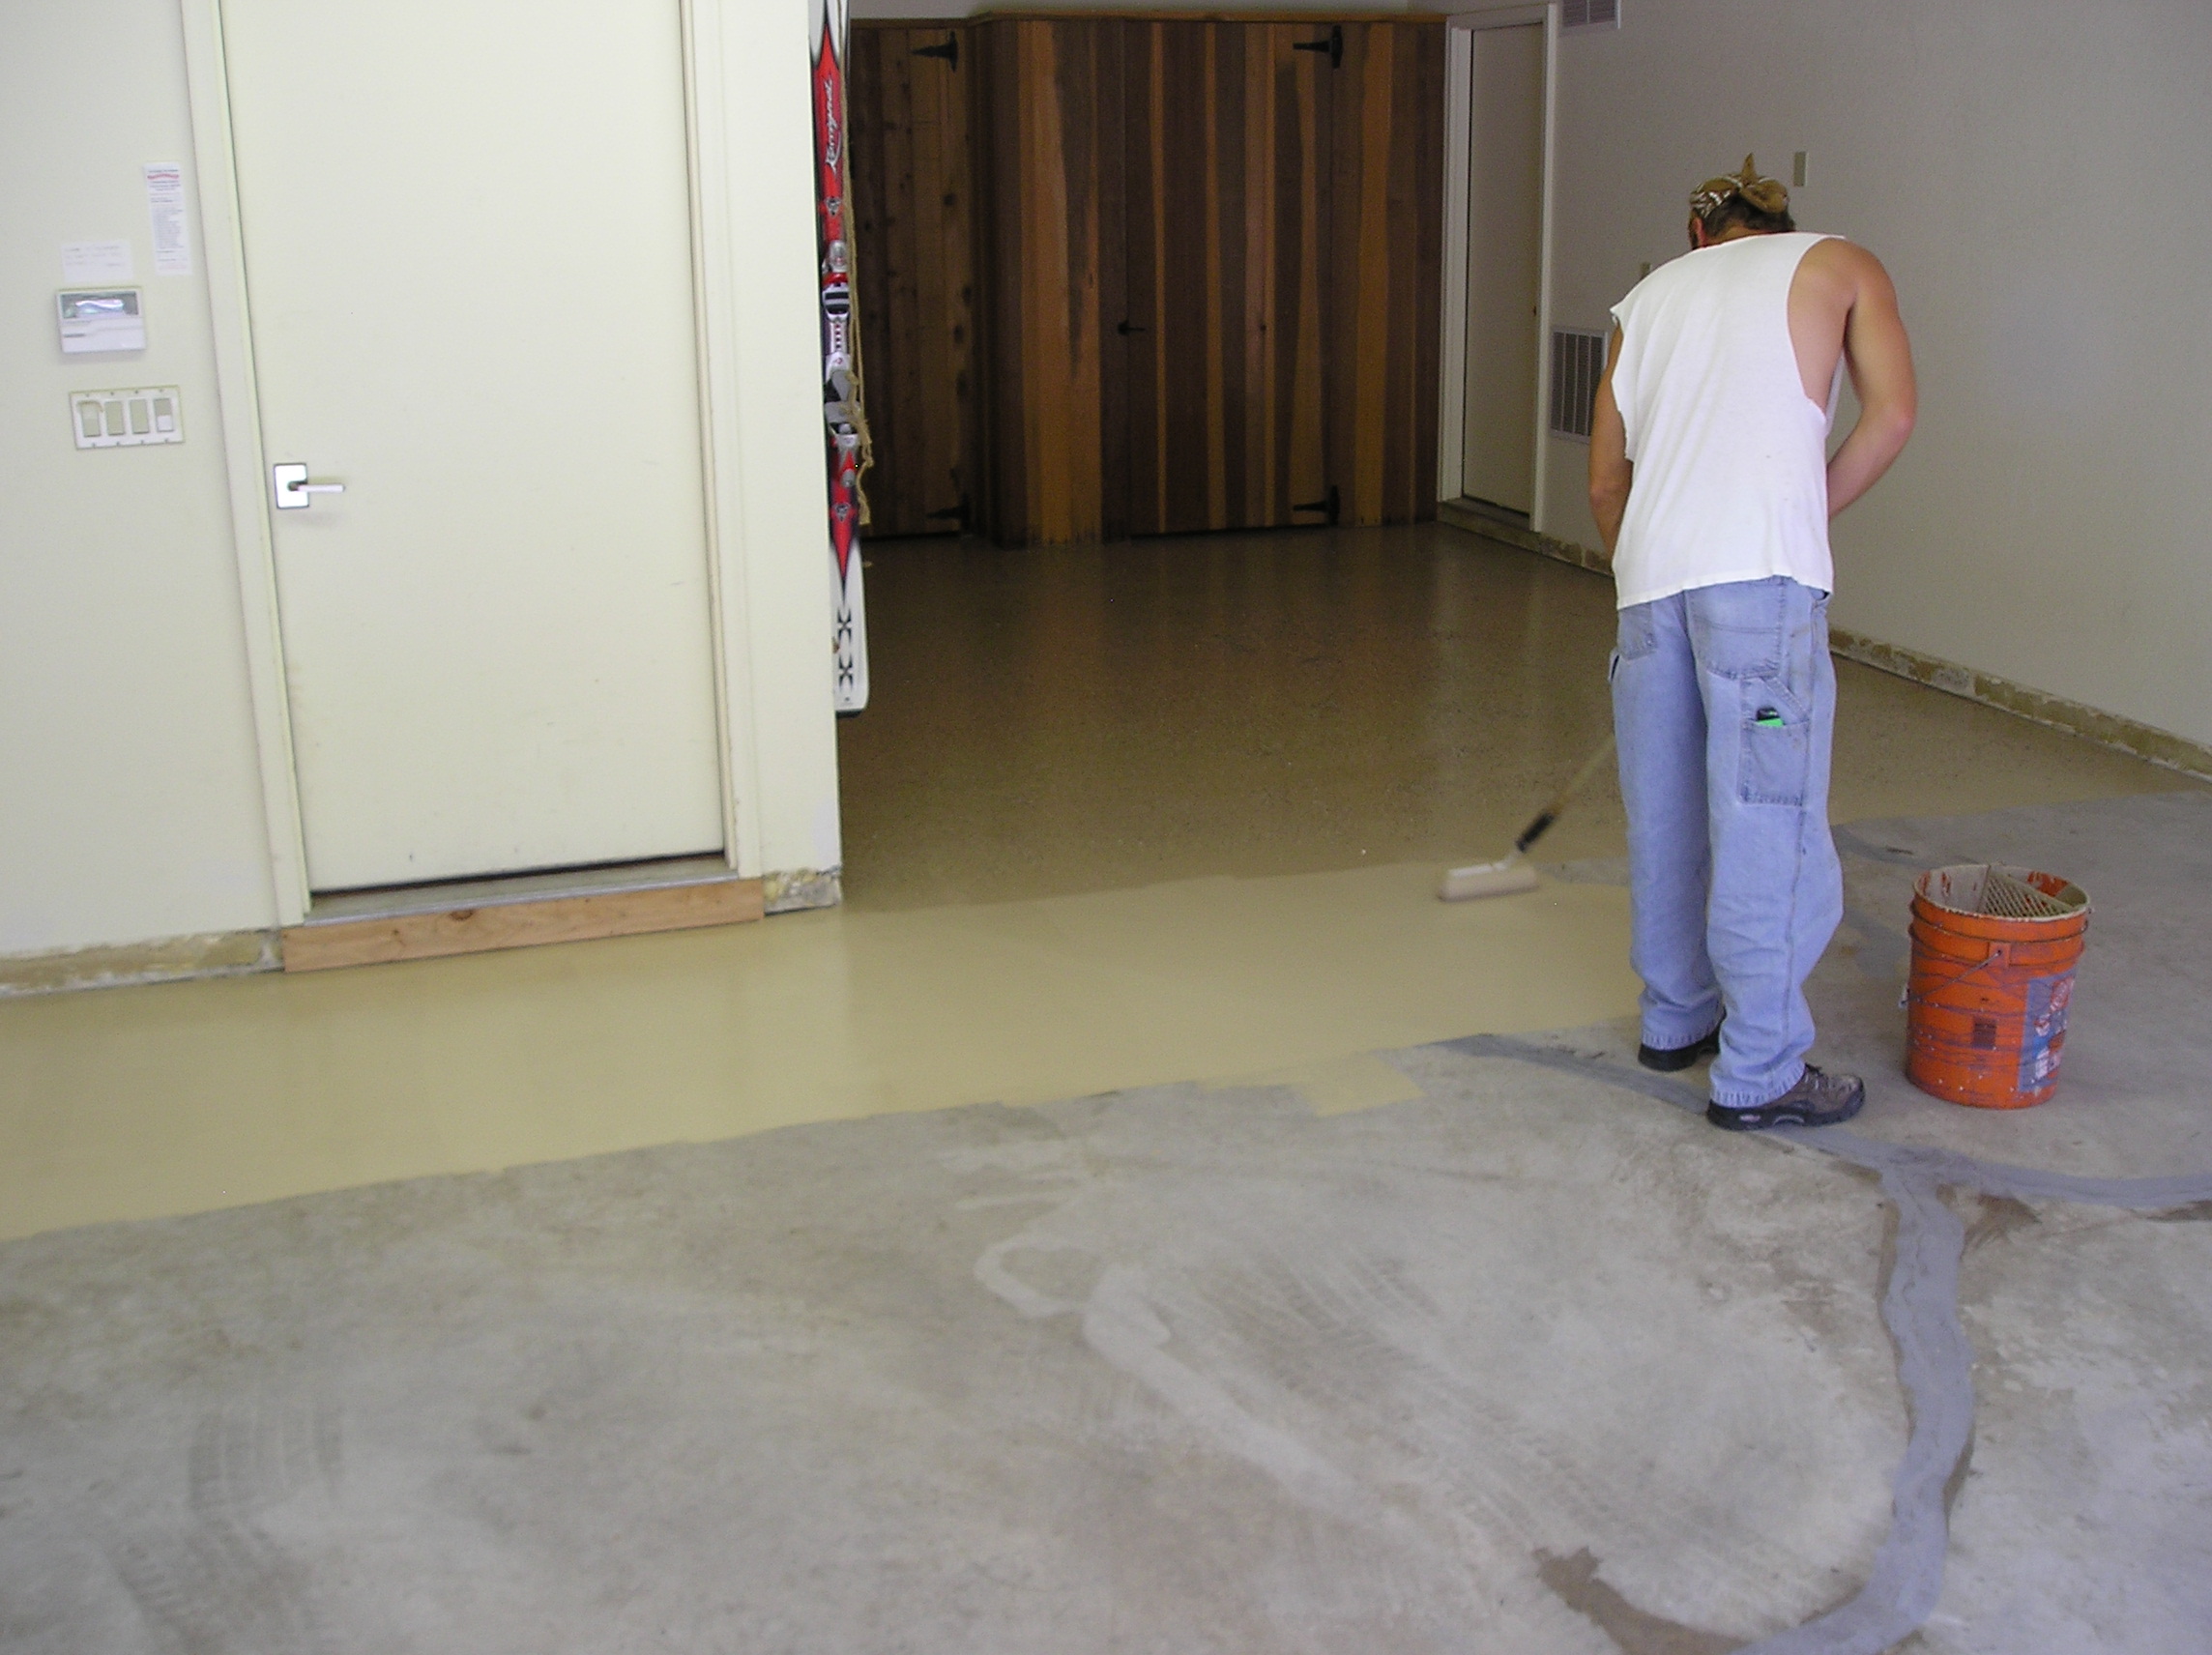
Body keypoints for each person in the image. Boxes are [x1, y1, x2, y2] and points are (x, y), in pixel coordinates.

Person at [1587, 156, 1917, 1131]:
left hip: (1649, 590)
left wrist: (1647, 572)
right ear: (1777, 228)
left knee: (1665, 809)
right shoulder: (1840, 262)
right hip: (1757, 592)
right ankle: (1760, 1068)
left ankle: (1674, 1016)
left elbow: (1607, 484)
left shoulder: (1643, 298)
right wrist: (1799, 512)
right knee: (1764, 815)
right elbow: (1890, 415)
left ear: (1699, 238)